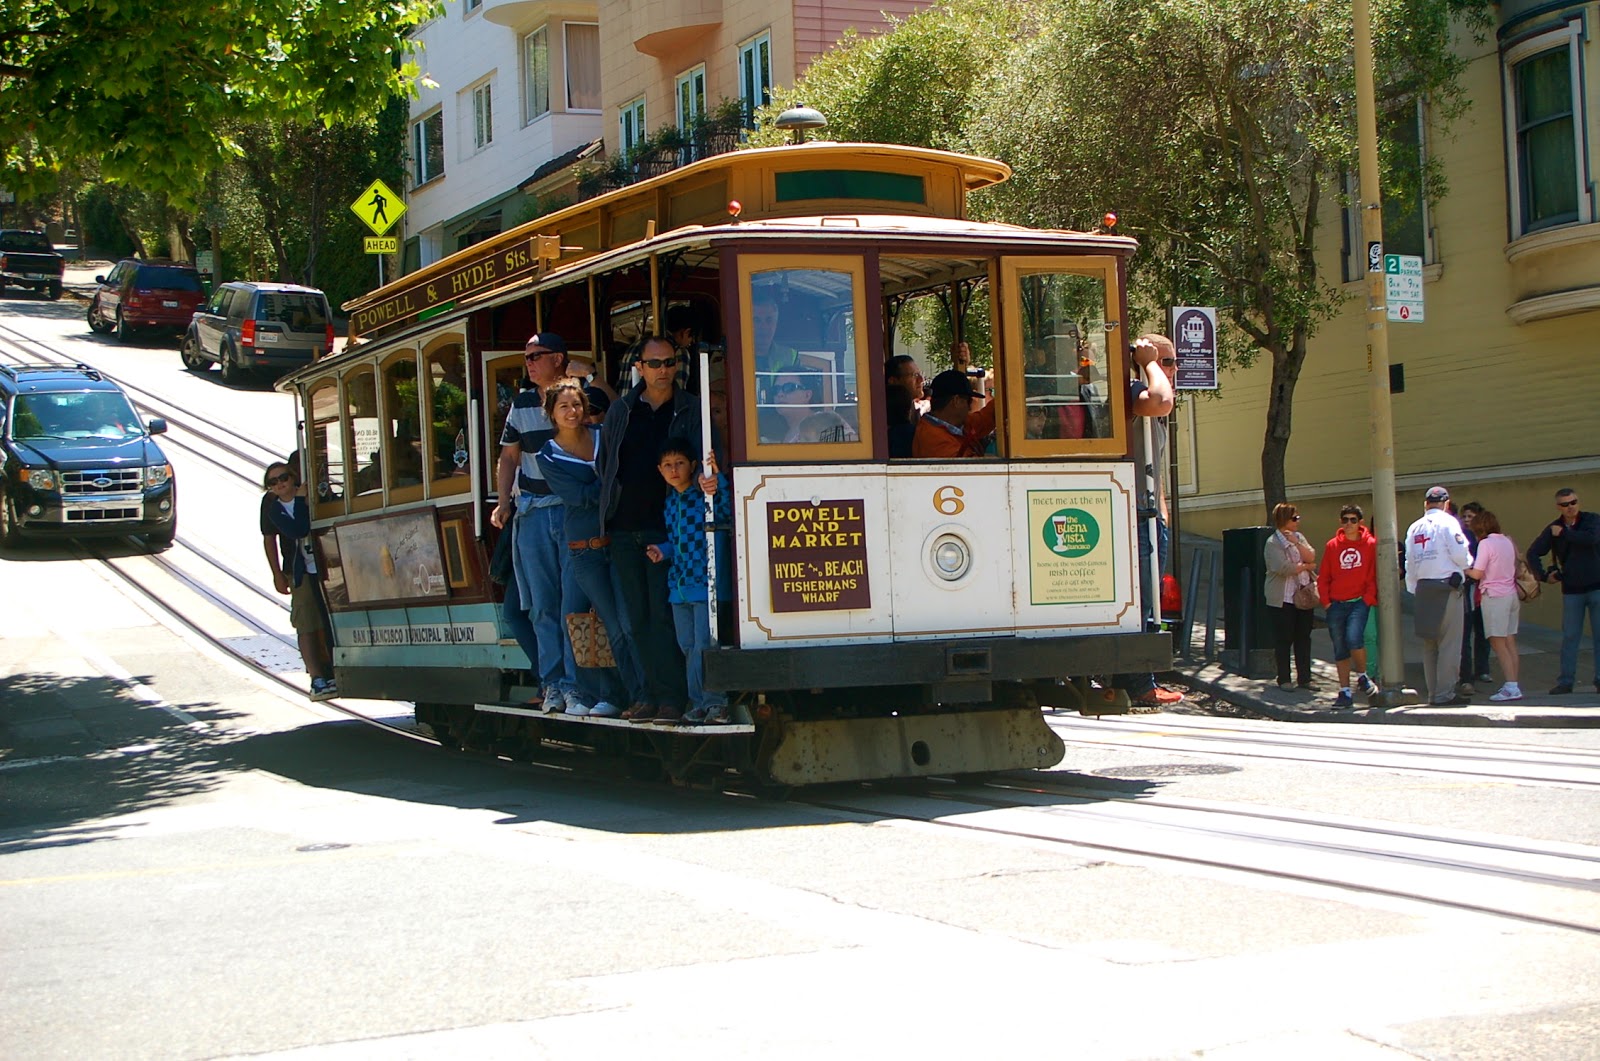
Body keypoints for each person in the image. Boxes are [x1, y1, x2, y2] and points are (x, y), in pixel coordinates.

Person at [598, 335, 704, 722]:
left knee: (664, 618)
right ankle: (647, 695)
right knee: (634, 620)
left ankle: (672, 699)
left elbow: (708, 459)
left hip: (669, 529)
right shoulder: (622, 411)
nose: (664, 370)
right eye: (655, 363)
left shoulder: (691, 407)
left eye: (670, 362)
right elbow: (605, 465)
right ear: (638, 367)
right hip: (626, 528)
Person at [535, 378, 647, 718]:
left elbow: (625, 475)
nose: (572, 411)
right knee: (598, 624)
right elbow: (578, 498)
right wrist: (613, 489)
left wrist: (613, 489)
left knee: (629, 622)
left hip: (620, 541)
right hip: (584, 551)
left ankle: (642, 694)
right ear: (552, 413)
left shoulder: (603, 436)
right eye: (564, 406)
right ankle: (615, 695)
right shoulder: (546, 455)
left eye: (577, 404)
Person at [489, 332, 577, 712]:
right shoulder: (522, 403)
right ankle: (553, 683)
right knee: (541, 606)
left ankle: (578, 685)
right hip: (534, 512)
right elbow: (509, 457)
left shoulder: (577, 397)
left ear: (558, 358)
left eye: (536, 356)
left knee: (573, 604)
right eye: (526, 357)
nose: (529, 363)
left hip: (571, 509)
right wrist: (502, 501)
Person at [1111, 336, 1183, 708]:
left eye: (1171, 363)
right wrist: (1149, 364)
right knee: (1141, 601)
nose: (1172, 371)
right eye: (1168, 362)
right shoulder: (1136, 388)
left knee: (1149, 598)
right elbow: (1162, 401)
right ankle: (1139, 682)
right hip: (1135, 514)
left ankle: (1136, 678)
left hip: (1151, 511)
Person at [646, 440, 733, 725]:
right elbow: (677, 540)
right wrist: (664, 550)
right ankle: (698, 703)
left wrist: (717, 481)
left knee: (705, 646)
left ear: (692, 466)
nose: (674, 470)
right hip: (679, 587)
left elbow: (726, 511)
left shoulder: (702, 496)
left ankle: (716, 703)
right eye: (668, 465)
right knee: (687, 647)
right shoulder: (671, 502)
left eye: (679, 463)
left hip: (705, 583)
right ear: (660, 471)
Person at [260, 460, 336, 699]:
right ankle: (317, 677)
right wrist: (277, 574)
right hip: (300, 572)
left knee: (328, 621)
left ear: (292, 477)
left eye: (283, 478)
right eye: (274, 482)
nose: (280, 484)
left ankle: (334, 669)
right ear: (270, 488)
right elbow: (297, 530)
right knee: (306, 624)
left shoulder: (314, 495)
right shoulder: (274, 509)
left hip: (326, 568)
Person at [1526, 487, 1600, 695]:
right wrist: (1543, 576)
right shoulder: (1554, 528)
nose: (1571, 508)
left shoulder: (1591, 520)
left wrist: (1565, 533)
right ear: (1559, 507)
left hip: (1597, 586)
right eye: (1565, 504)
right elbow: (1533, 553)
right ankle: (1566, 681)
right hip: (1572, 590)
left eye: (1574, 502)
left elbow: (1591, 539)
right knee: (1570, 636)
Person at [1405, 485, 1474, 706]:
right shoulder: (1448, 522)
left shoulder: (1414, 528)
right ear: (1446, 503)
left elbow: (1410, 561)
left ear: (1425, 503)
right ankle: (1445, 693)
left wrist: (1415, 587)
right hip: (1446, 587)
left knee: (1430, 644)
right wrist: (1467, 565)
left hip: (1423, 587)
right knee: (1449, 644)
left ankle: (1434, 692)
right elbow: (1461, 554)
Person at [1316, 504, 1380, 707]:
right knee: (1340, 648)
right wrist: (1326, 602)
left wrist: (1368, 598)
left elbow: (1373, 575)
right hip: (1336, 604)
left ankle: (1362, 675)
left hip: (1359, 602)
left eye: (1353, 520)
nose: (1349, 524)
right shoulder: (1332, 546)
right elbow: (1324, 576)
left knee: (1355, 638)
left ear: (1360, 522)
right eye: (1345, 520)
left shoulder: (1370, 544)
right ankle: (1344, 691)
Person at [1465, 508, 1523, 702]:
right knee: (1510, 641)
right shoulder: (1507, 540)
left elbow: (1478, 573)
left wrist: (1464, 568)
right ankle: (1514, 683)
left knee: (1498, 643)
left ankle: (1511, 687)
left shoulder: (1486, 544)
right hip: (1511, 594)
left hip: (1494, 596)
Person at [1265, 501, 1317, 691]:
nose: (1298, 521)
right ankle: (1284, 678)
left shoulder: (1299, 537)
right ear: (1284, 520)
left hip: (1303, 597)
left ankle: (1305, 678)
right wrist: (1305, 567)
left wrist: (1297, 544)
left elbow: (1311, 555)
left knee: (1303, 637)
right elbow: (1283, 568)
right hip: (1283, 598)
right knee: (1283, 639)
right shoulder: (1273, 543)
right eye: (1294, 518)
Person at [911, 370, 996, 458]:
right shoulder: (933, 439)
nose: (969, 407)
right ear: (957, 401)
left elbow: (983, 419)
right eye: (969, 401)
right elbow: (973, 468)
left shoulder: (954, 424)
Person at [1456, 500, 1491, 691]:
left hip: (1483, 591)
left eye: (1471, 517)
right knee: (1466, 633)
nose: (1467, 520)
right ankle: (1466, 673)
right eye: (1465, 516)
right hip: (1469, 592)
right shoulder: (1462, 537)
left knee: (1483, 633)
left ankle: (1482, 669)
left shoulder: (1485, 541)